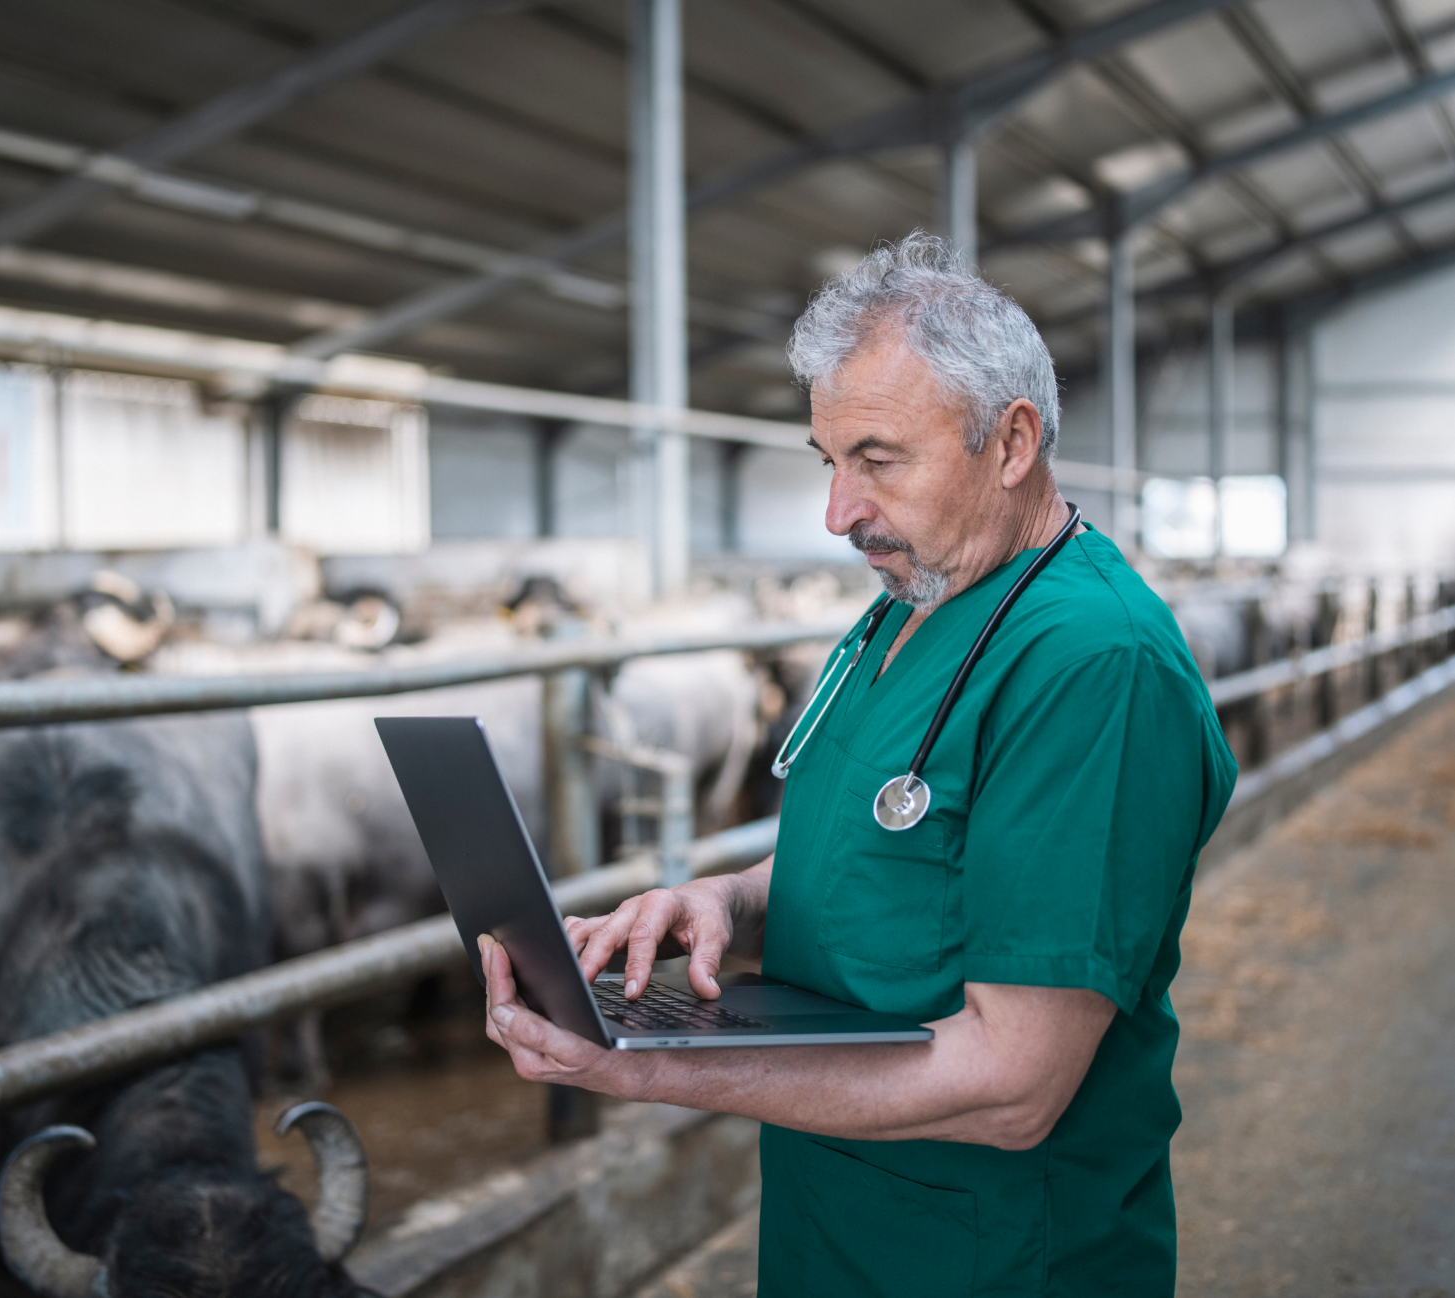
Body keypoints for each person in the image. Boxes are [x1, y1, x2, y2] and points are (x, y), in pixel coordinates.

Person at [478, 231, 1237, 1296]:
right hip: (838, 1222)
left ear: (1011, 441)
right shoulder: (908, 607)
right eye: (829, 461)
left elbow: (1014, 1083)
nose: (838, 513)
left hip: (993, 1253)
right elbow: (887, 851)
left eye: (877, 458)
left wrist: (647, 1063)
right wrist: (724, 901)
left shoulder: (1091, 666)